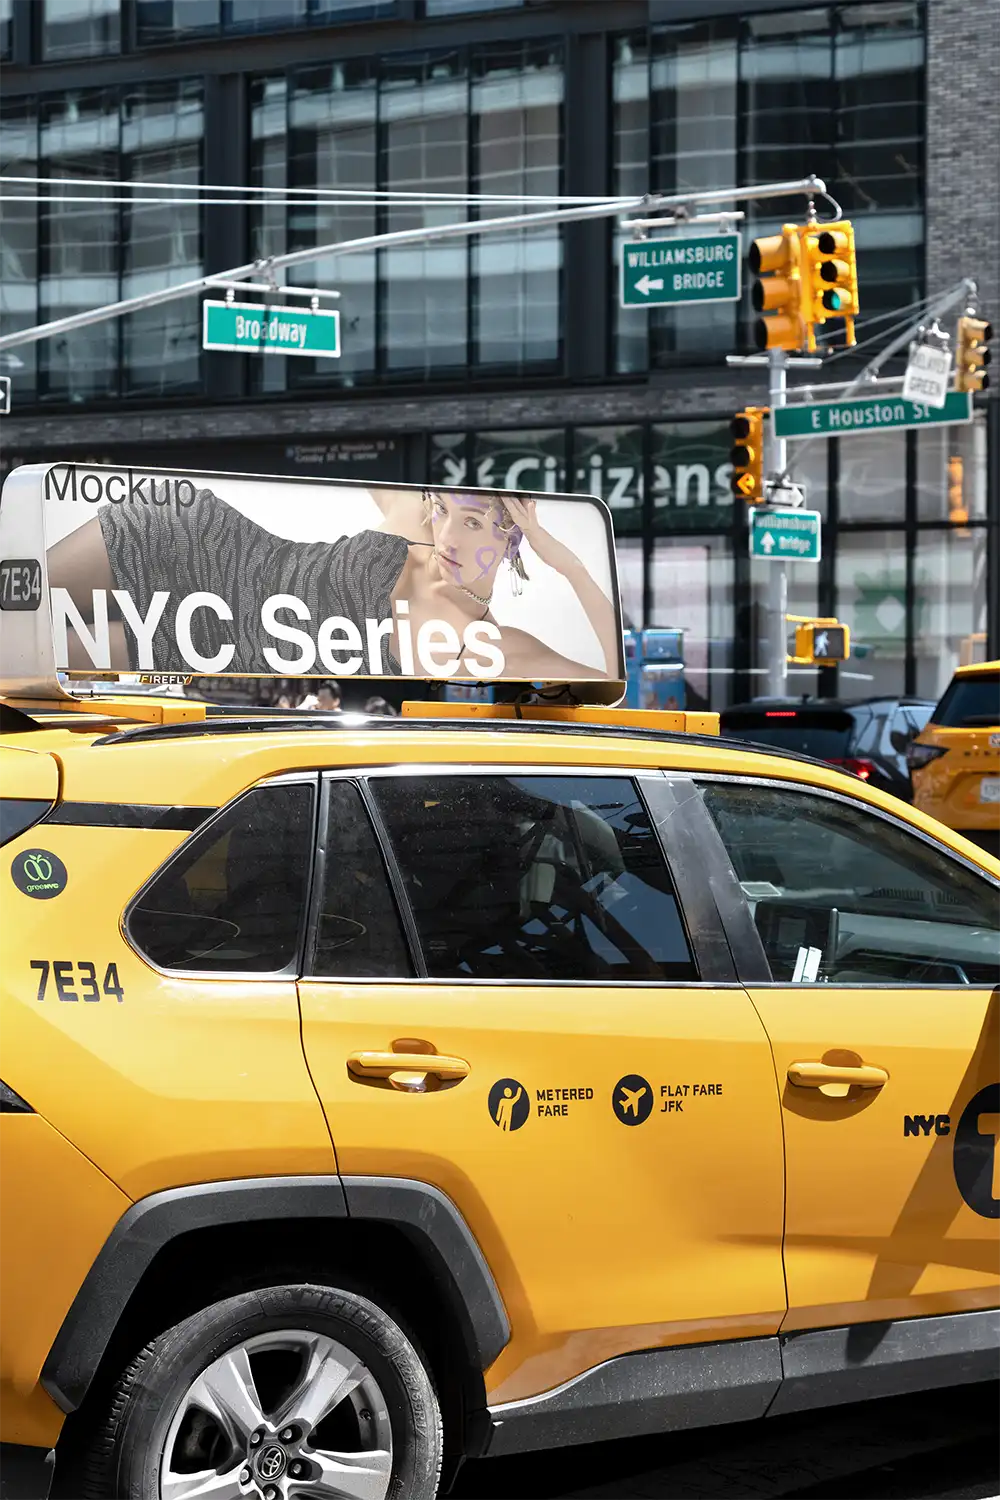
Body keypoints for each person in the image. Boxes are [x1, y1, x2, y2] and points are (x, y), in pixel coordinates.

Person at [46, 481, 618, 682]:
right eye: (444, 511)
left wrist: (566, 563)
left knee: (17, 658)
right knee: (12, 607)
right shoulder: (418, 528)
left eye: (472, 523)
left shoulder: (487, 646)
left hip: (199, 639)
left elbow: (607, 678)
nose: (448, 537)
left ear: (510, 539)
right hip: (191, 538)